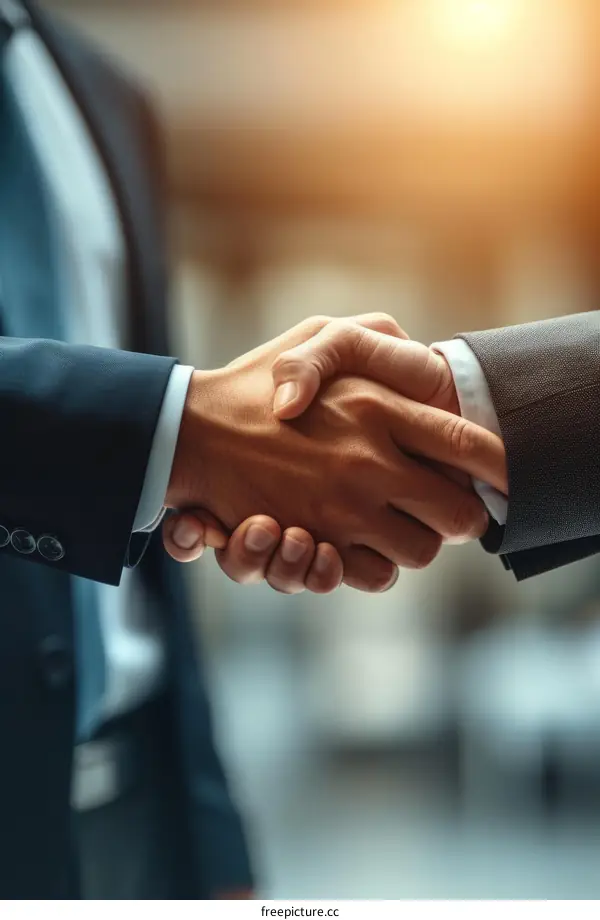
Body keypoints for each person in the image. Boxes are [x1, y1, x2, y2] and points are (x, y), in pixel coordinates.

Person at [0, 0, 507, 899]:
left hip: (139, 807)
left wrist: (211, 836)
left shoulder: (105, 95)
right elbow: (163, 439)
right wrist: (187, 430)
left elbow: (157, 563)